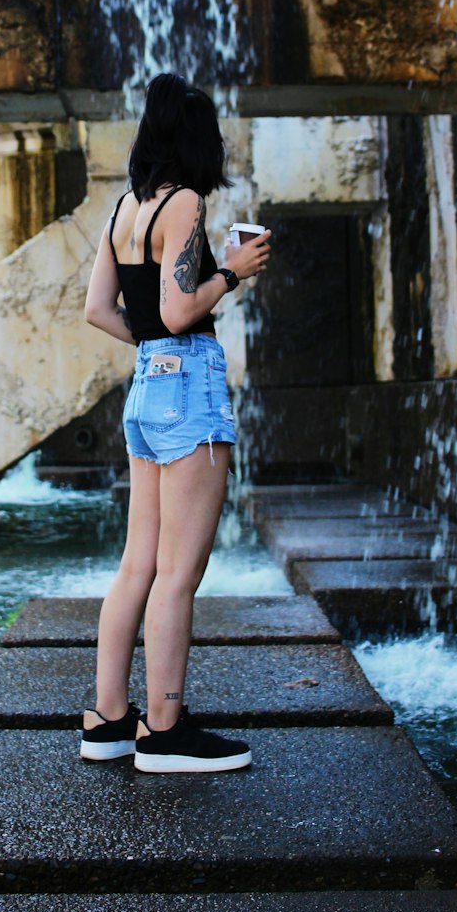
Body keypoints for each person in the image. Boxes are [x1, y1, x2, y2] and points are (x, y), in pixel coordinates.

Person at [81, 73, 272, 773]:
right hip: (187, 387)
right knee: (178, 574)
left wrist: (156, 352)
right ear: (197, 142)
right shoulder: (185, 203)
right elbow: (181, 309)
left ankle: (107, 720)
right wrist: (234, 270)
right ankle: (163, 730)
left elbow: (100, 310)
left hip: (146, 391)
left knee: (138, 563)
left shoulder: (123, 211)